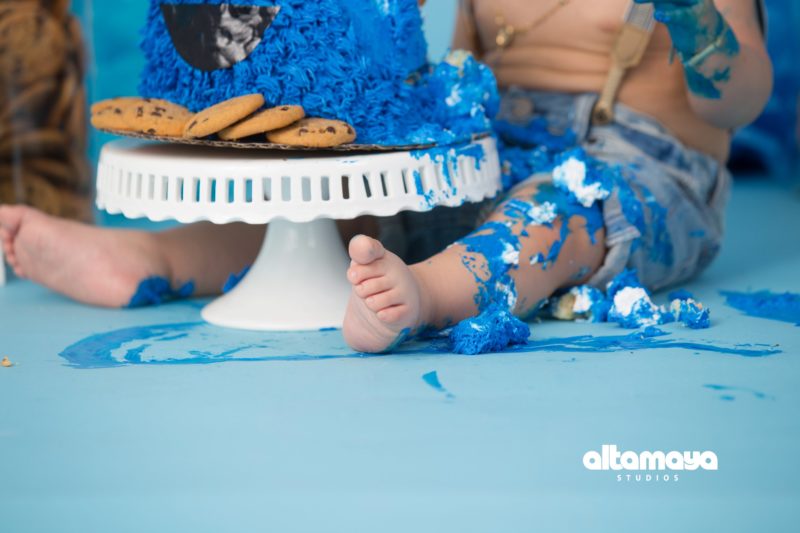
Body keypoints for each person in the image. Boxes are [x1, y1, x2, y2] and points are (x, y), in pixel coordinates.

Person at [0, 0, 772, 354]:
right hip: (496, 149)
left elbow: (741, 99)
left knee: (556, 212)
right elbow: (463, 74)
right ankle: (154, 256)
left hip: (639, 169)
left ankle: (429, 293)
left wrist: (696, 21)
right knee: (331, 210)